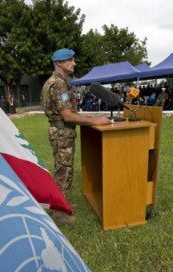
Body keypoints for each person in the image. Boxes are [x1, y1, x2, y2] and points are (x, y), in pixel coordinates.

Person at [41, 48, 111, 224]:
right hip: (62, 132)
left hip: (61, 132)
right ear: (59, 63)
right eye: (70, 60)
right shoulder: (58, 84)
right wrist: (94, 121)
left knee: (63, 169)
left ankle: (61, 204)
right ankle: (59, 214)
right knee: (63, 171)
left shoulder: (55, 82)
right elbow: (68, 115)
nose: (74, 63)